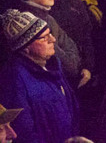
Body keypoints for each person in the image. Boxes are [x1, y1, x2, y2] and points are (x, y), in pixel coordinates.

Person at [0, 10, 79, 143]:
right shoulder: (15, 79)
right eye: (44, 37)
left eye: (50, 34)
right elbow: (24, 131)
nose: (53, 40)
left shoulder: (52, 66)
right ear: (25, 47)